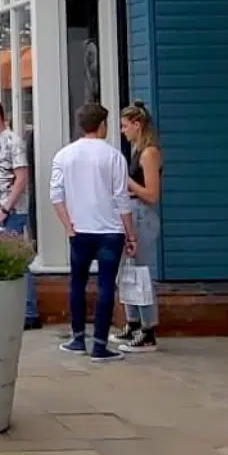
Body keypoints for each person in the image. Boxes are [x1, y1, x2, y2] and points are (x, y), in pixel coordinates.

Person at [49, 103, 137, 362]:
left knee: (77, 283)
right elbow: (122, 200)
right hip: (110, 230)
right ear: (102, 125)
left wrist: (68, 225)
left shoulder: (64, 156)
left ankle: (77, 338)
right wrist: (130, 235)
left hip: (80, 230)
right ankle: (100, 344)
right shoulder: (114, 157)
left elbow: (56, 195)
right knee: (106, 285)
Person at [116, 102, 163, 353]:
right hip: (131, 213)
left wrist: (127, 182)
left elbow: (152, 194)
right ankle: (133, 322)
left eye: (125, 126)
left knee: (141, 273)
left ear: (137, 124)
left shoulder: (149, 153)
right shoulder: (137, 150)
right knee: (127, 272)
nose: (123, 131)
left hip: (143, 215)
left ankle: (148, 329)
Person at [0, 111, 36, 329]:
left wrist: (6, 207)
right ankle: (10, 309)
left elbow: (22, 177)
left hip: (10, 210)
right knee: (1, 259)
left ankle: (29, 310)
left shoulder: (13, 141)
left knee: (17, 260)